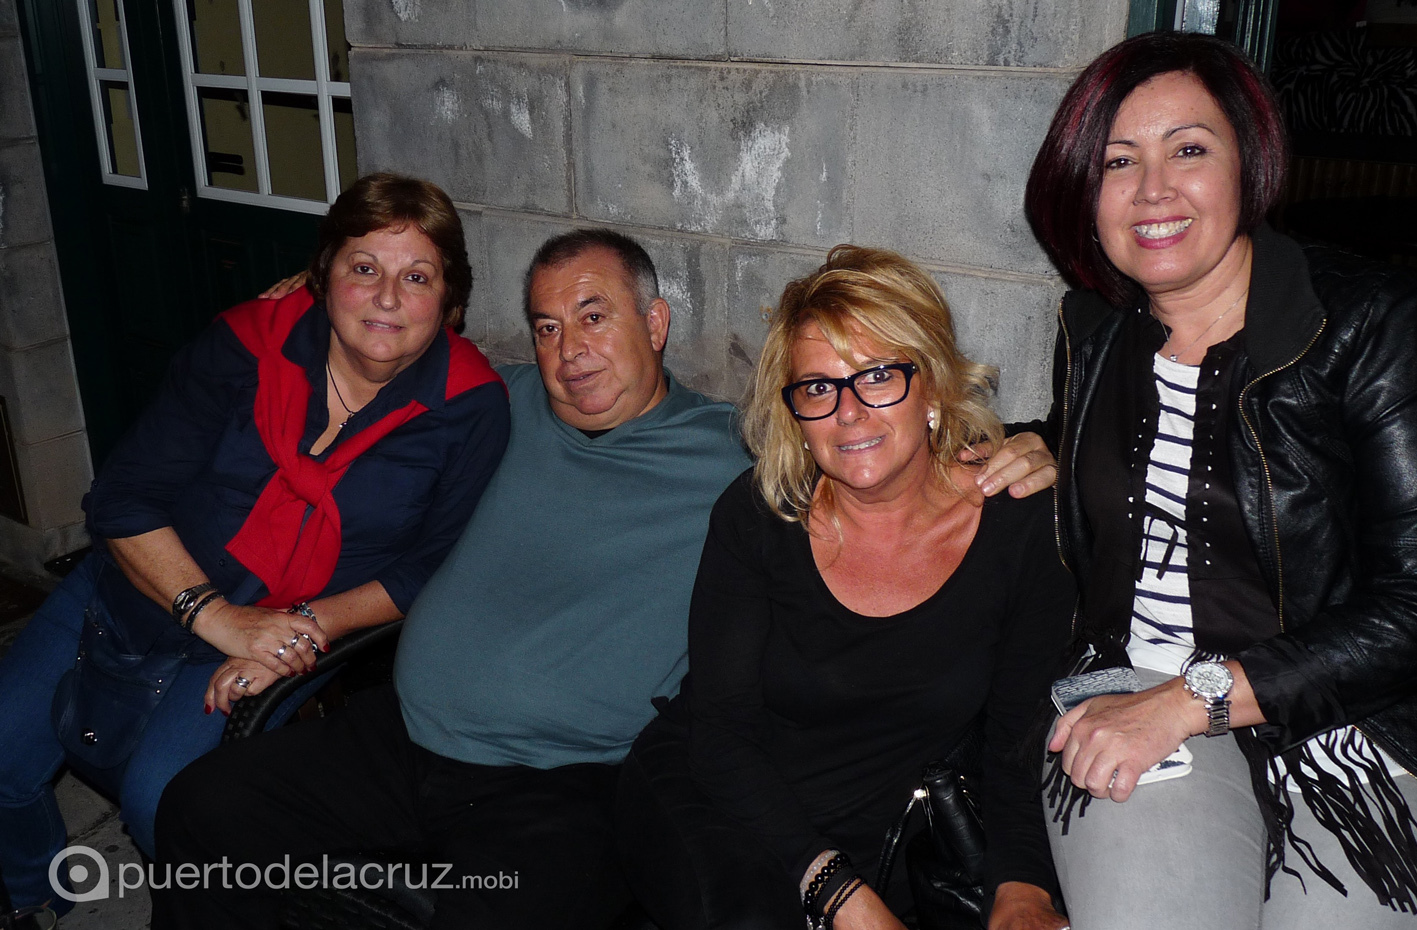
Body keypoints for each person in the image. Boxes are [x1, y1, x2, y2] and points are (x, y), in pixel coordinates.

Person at [151, 229, 1061, 930]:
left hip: (564, 782)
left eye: (594, 317)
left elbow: (881, 438)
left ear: (655, 325)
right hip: (401, 733)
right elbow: (380, 343)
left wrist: (1029, 444)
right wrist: (301, 305)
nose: (568, 350)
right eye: (546, 327)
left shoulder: (743, 457)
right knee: (201, 807)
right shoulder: (497, 403)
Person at [1023, 32, 1417, 930]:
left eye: (1188, 150)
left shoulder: (1373, 325)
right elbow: (1151, 452)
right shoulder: (1093, 333)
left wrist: (1197, 698)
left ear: (1250, 164)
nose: (1153, 189)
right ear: (1084, 189)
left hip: (1360, 724)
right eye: (1119, 161)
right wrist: (1040, 443)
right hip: (1136, 692)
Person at [0, 173, 509, 913]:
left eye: (417, 277)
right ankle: (35, 893)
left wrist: (300, 630)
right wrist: (215, 616)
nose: (387, 298)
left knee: (165, 803)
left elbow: (434, 565)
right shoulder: (248, 343)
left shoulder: (470, 408)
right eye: (364, 268)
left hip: (289, 622)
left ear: (450, 299)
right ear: (323, 275)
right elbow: (123, 497)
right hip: (144, 581)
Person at [616, 245, 1075, 930]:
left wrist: (1022, 887)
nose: (849, 412)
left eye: (878, 375)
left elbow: (1019, 738)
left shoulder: (1020, 524)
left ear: (932, 386)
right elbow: (721, 737)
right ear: (796, 415)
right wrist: (837, 893)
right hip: (720, 807)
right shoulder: (759, 516)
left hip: (885, 841)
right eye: (817, 388)